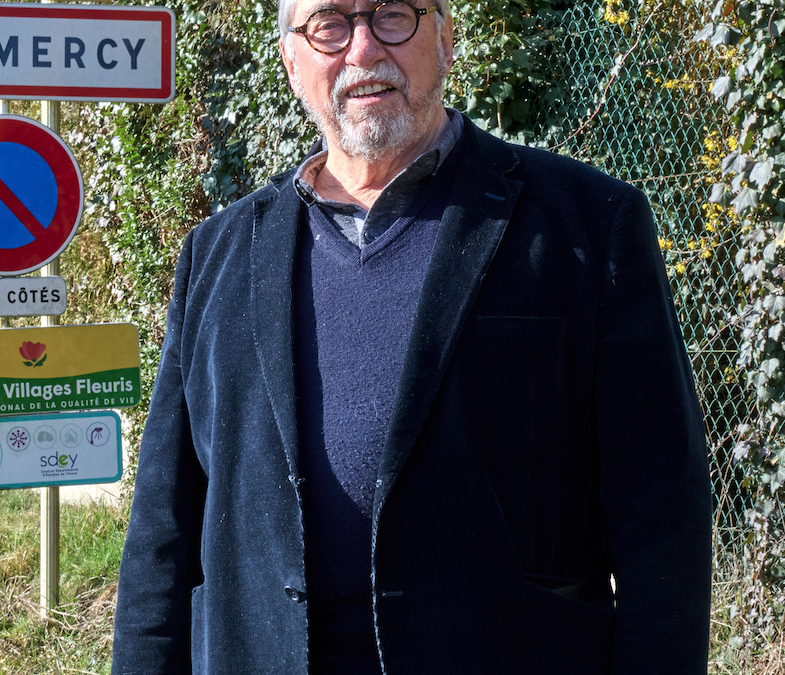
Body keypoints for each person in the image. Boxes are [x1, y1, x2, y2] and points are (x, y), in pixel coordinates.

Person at [111, 0, 712, 672]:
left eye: (393, 15)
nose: (363, 49)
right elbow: (163, 535)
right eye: (329, 25)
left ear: (446, 39)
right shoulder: (215, 257)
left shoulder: (585, 226)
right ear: (290, 60)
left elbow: (662, 510)